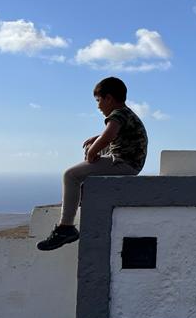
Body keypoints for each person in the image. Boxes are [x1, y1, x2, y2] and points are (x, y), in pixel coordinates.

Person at [37, 77, 148, 251]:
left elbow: (109, 135)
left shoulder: (117, 114)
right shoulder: (126, 114)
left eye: (98, 101)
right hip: (129, 162)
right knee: (90, 153)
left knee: (70, 175)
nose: (98, 106)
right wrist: (95, 141)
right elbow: (113, 134)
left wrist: (92, 151)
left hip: (123, 163)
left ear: (109, 98)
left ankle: (65, 228)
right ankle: (79, 196)